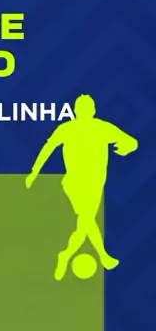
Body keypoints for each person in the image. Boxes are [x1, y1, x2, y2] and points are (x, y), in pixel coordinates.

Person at [25, 94, 138, 280]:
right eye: (82, 109)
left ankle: (71, 255)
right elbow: (48, 148)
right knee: (86, 218)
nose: (84, 112)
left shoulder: (102, 128)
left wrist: (125, 147)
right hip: (74, 183)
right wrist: (33, 172)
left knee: (86, 221)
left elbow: (132, 142)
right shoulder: (67, 129)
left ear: (92, 110)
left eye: (87, 108)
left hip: (95, 183)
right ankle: (93, 256)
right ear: (76, 111)